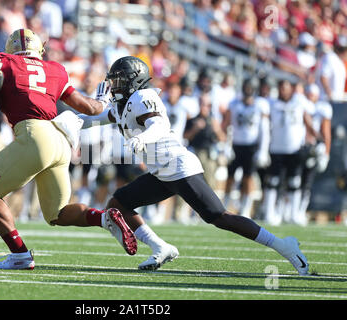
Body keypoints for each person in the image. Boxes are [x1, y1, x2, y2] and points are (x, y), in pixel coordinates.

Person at [79, 56, 310, 275]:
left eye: (119, 81)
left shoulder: (142, 97)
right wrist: (58, 122)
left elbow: (158, 125)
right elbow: (89, 120)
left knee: (219, 217)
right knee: (118, 204)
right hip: (162, 172)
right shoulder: (122, 105)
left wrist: (142, 138)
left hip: (178, 167)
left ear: (134, 80)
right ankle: (161, 248)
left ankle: (283, 245)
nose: (114, 86)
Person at [0, 29, 137, 270]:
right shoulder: (55, 69)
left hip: (34, 136)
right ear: (39, 49)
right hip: (60, 140)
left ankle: (20, 255)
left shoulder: (2, 62)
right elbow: (91, 108)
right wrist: (103, 100)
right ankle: (104, 218)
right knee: (58, 213)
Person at [262, 80, 317, 226]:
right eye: (281, 88)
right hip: (276, 148)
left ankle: (294, 214)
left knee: (294, 181)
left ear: (291, 90)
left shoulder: (299, 103)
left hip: (294, 149)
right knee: (273, 181)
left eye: (286, 88)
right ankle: (270, 213)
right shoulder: (272, 104)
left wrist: (318, 140)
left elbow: (309, 120)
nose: (283, 91)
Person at [221, 79, 270, 218]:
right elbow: (227, 126)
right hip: (236, 145)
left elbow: (264, 130)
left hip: (251, 146)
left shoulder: (261, 105)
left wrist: (263, 150)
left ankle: (245, 208)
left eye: (250, 87)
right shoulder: (234, 104)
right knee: (230, 177)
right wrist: (227, 146)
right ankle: (224, 206)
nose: (248, 90)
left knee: (248, 178)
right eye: (246, 87)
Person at [298, 84, 332, 225]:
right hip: (297, 146)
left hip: (312, 147)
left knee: (307, 181)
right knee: (293, 179)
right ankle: (288, 210)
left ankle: (300, 211)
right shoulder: (299, 103)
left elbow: (326, 130)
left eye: (313, 94)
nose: (310, 96)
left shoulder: (321, 108)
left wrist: (326, 151)